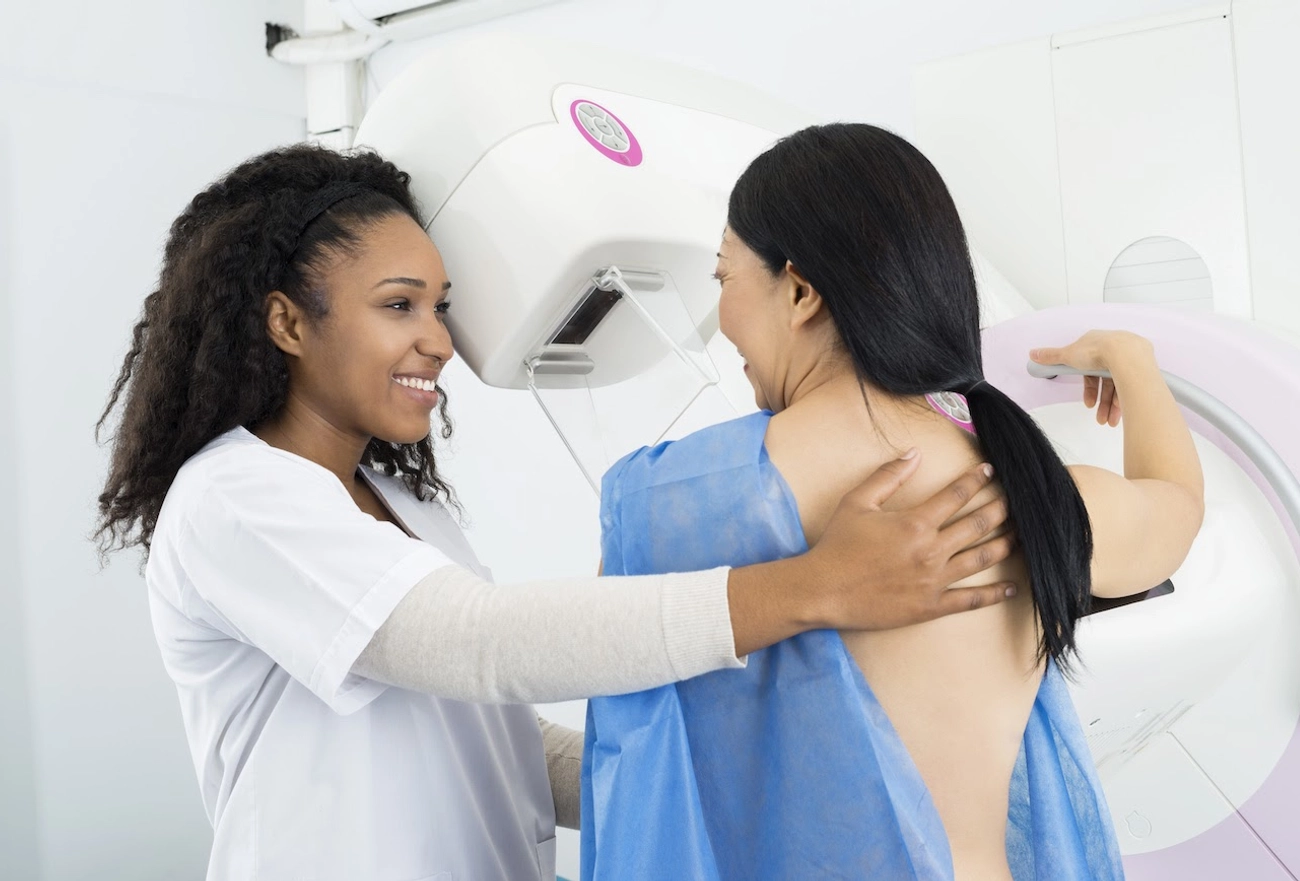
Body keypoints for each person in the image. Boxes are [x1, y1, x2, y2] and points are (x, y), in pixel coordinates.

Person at [94, 144, 1019, 881]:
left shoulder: (404, 503)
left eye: (441, 306)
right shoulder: (234, 497)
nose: (440, 340)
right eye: (399, 305)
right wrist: (817, 587)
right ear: (288, 322)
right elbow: (475, 644)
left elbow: (500, 743)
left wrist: (729, 775)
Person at [580, 124, 1204, 881]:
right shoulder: (1023, 482)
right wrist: (1133, 362)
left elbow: (624, 712)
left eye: (724, 278)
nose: (722, 322)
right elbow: (1174, 508)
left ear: (800, 290)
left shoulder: (686, 499)